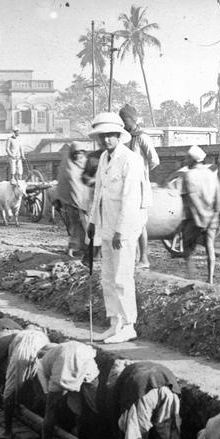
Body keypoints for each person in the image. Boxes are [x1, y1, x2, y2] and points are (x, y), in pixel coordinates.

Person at [87, 112, 144, 344]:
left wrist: (121, 229)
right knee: (108, 277)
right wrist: (92, 222)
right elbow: (98, 192)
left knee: (122, 277)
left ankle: (129, 324)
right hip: (106, 224)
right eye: (102, 136)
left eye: (110, 135)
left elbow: (131, 197)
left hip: (125, 228)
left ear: (119, 136)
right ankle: (114, 323)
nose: (106, 140)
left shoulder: (130, 159)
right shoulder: (103, 159)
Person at [32, 340, 99, 439]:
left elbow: (48, 396)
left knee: (50, 411)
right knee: (93, 407)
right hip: (87, 361)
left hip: (67, 364)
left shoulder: (42, 363)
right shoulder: (61, 349)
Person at [119, 104, 159, 270]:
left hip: (140, 186)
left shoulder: (143, 137)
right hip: (126, 186)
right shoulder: (124, 138)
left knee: (140, 223)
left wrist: (141, 173)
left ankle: (144, 258)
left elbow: (154, 161)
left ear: (132, 119)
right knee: (127, 222)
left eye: (125, 120)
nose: (123, 123)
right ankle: (133, 257)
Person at [0, 328, 51, 439]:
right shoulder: (44, 337)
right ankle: (47, 428)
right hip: (41, 357)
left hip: (20, 356)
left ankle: (8, 432)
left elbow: (11, 356)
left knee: (9, 392)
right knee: (44, 392)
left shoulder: (20, 335)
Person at [179, 145, 220, 284]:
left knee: (187, 245)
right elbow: (219, 196)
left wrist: (200, 217)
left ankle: (191, 277)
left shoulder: (189, 175)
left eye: (187, 158)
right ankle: (210, 278)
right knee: (210, 246)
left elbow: (192, 198)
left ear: (193, 160)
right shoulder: (211, 174)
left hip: (196, 218)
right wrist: (215, 214)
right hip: (211, 217)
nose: (185, 160)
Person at [56, 141, 91, 258]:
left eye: (80, 153)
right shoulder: (67, 165)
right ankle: (73, 247)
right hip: (71, 202)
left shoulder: (86, 164)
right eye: (75, 153)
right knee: (75, 225)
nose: (77, 156)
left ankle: (85, 247)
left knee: (86, 224)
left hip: (86, 201)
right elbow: (65, 184)